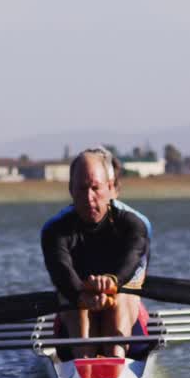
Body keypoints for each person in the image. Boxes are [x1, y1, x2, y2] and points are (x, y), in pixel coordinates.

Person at [41, 147, 152, 358]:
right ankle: (85, 362)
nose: (89, 197)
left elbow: (131, 262)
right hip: (76, 309)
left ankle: (114, 359)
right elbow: (61, 272)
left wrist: (111, 282)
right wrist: (82, 295)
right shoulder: (54, 231)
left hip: (126, 312)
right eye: (82, 189)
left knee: (119, 300)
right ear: (71, 190)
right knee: (78, 310)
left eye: (95, 188)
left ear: (110, 188)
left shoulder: (134, 225)